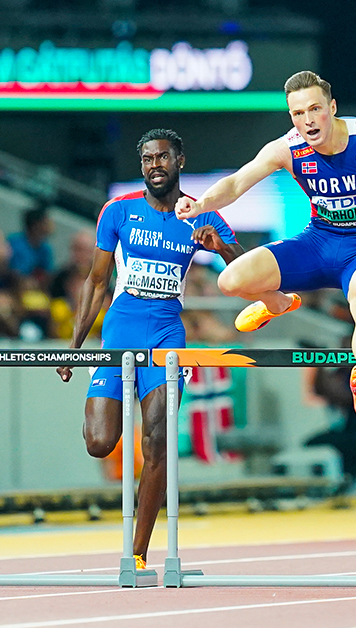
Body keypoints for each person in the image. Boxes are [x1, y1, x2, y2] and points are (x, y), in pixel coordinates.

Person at [176, 70, 356, 415]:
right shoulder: (287, 148)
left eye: (315, 110)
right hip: (318, 242)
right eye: (298, 114)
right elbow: (236, 183)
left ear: (333, 107)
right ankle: (277, 304)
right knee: (230, 280)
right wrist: (201, 204)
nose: (308, 121)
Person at [57, 129, 242, 570]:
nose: (154, 165)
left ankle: (138, 552)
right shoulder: (118, 212)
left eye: (162, 157)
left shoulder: (201, 214)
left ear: (179, 160)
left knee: (156, 441)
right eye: (146, 159)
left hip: (165, 332)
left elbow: (246, 268)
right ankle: (135, 540)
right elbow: (97, 282)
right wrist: (73, 346)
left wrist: (220, 248)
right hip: (121, 329)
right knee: (100, 442)